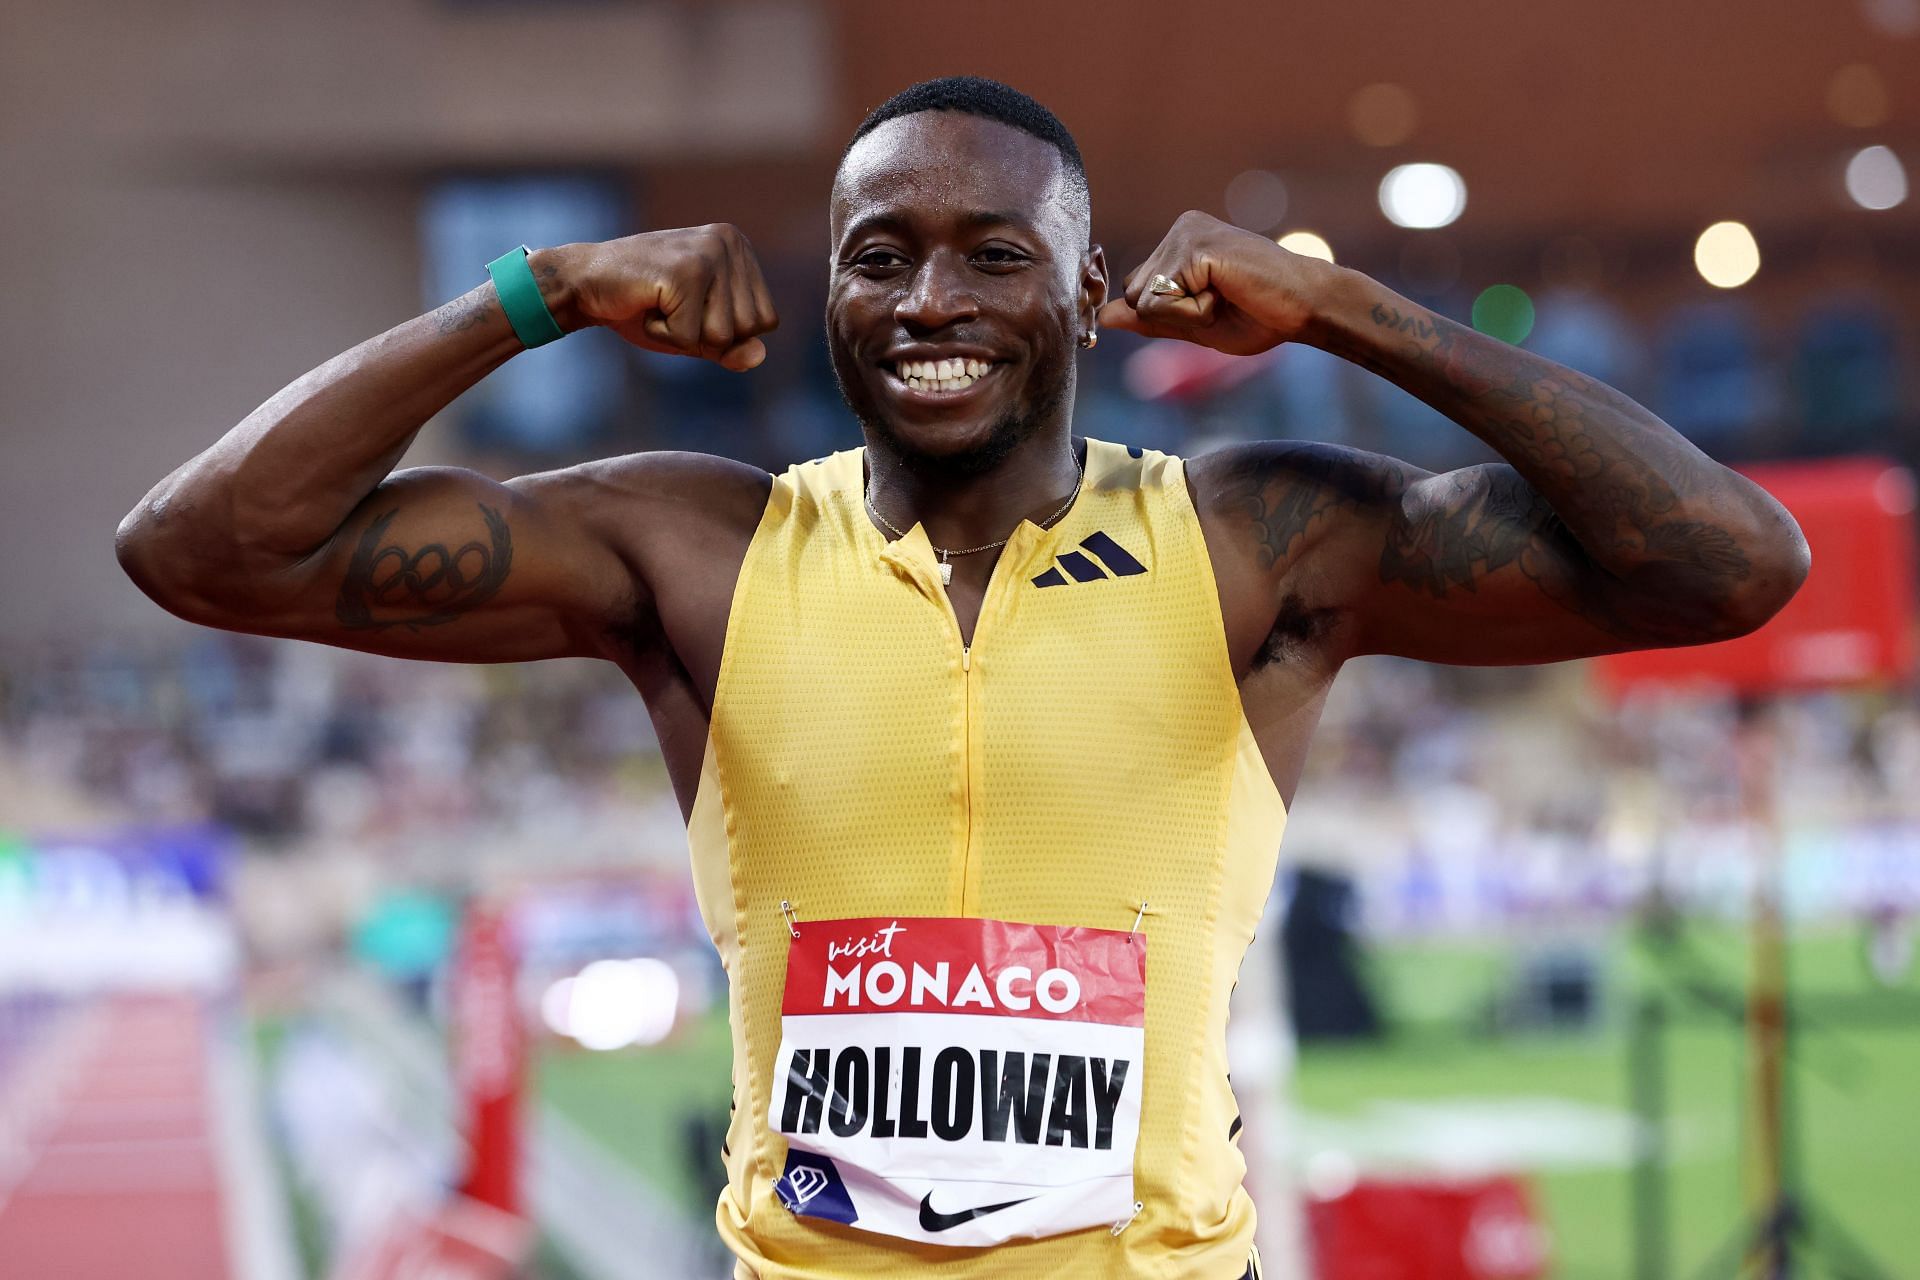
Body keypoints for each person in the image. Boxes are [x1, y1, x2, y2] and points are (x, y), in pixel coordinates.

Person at [116, 76, 1808, 1279]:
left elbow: (1730, 564)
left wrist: (1350, 313)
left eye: (994, 253)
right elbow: (203, 550)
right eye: (881, 255)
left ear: (1086, 291)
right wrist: (535, 293)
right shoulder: (697, 551)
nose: (933, 298)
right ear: (829, 293)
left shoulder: (1254, 543)